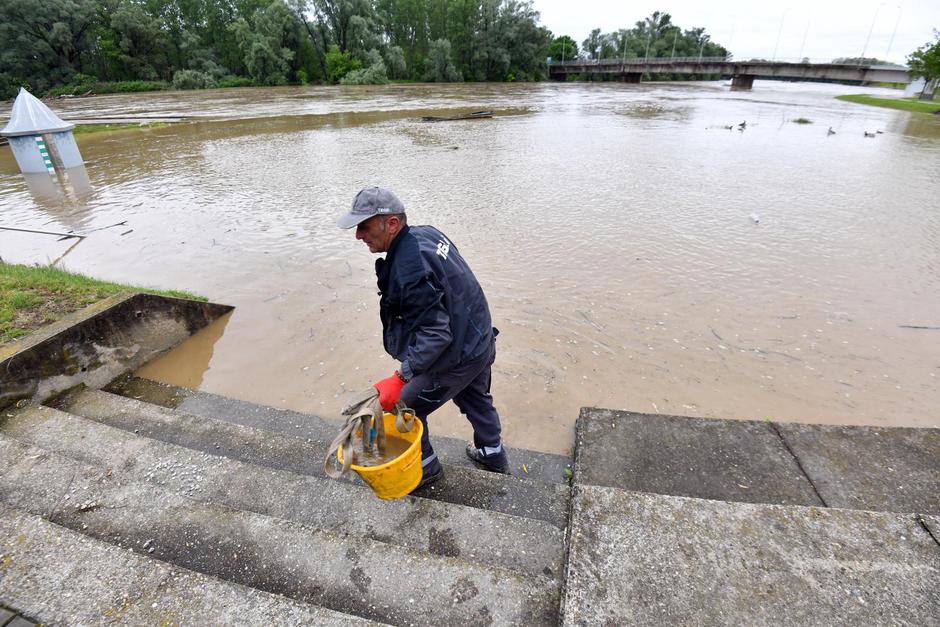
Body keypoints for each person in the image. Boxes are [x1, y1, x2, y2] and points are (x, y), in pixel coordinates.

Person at [337, 186, 509, 490]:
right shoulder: (427, 233)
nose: (358, 235)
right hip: (479, 339)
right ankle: (491, 454)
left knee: (405, 406)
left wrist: (402, 376)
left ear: (391, 224)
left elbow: (436, 332)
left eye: (364, 226)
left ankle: (425, 469)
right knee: (475, 397)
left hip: (457, 353)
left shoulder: (409, 266)